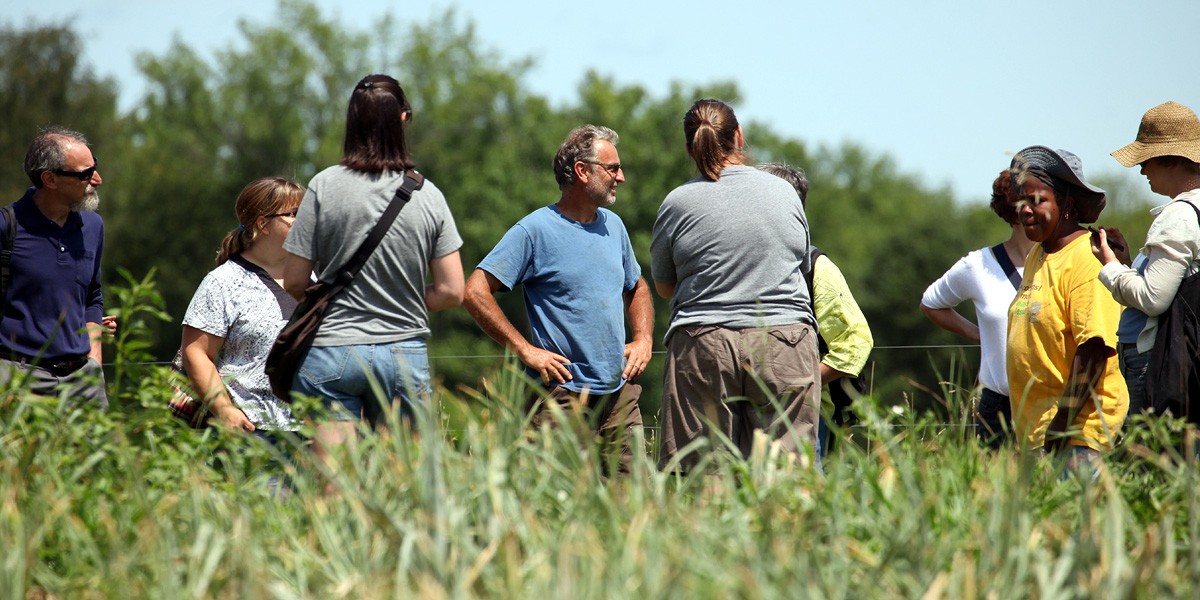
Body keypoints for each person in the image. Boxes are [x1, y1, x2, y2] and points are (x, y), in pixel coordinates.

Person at [282, 74, 464, 463]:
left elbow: (294, 279)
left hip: (330, 351)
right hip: (402, 354)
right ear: (402, 119)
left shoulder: (323, 186)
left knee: (335, 483)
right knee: (404, 482)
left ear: (352, 122)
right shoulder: (428, 195)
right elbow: (452, 291)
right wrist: (404, 301)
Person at [463, 125, 653, 473]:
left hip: (619, 394)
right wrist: (524, 349)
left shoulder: (615, 227)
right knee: (562, 507)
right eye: (613, 169)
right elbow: (475, 291)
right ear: (583, 171)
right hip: (561, 396)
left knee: (635, 504)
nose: (621, 177)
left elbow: (637, 286)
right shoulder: (534, 231)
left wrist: (644, 339)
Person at [651, 99, 821, 472]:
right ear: (739, 136)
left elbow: (664, 286)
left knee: (702, 472)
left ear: (689, 148)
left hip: (704, 342)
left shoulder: (677, 202)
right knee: (786, 472)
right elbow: (800, 261)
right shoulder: (785, 193)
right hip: (785, 340)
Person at [1006, 146, 1128, 470]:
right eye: (1021, 201)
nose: (1025, 211)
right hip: (1042, 438)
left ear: (1068, 205)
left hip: (1077, 439)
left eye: (1037, 201)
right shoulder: (1038, 255)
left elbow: (1095, 349)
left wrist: (1062, 423)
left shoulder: (1086, 260)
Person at [757, 162, 873, 459]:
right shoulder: (749, 263)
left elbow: (856, 340)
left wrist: (800, 381)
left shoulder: (816, 268)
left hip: (805, 412)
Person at [1093, 101, 1200, 417]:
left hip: (1156, 362)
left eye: (1147, 160)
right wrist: (1128, 264)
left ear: (1170, 160)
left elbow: (1152, 299)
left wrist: (1109, 265)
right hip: (1176, 360)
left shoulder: (1179, 216)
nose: (1142, 170)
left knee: (1147, 458)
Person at [180, 177, 304, 435]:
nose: (305, 220)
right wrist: (224, 409)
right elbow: (196, 352)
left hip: (312, 431)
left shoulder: (313, 276)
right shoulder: (223, 282)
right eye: (294, 213)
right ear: (263, 224)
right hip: (251, 432)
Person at [920, 170, 1033, 449]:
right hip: (997, 408)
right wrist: (977, 333)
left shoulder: (1064, 262)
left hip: (1052, 402)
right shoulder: (979, 265)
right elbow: (931, 303)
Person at [0, 127, 108, 408]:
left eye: (94, 167)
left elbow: (93, 296)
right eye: (85, 174)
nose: (97, 180)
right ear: (50, 179)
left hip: (82, 382)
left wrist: (94, 357)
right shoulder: (6, 227)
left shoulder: (93, 226)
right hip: (17, 378)